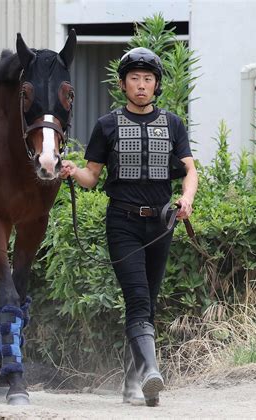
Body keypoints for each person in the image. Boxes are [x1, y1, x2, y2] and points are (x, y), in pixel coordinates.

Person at [60, 47, 198, 407]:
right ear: (123, 84)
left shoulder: (173, 124)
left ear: (156, 85)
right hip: (122, 223)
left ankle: (131, 382)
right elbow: (92, 176)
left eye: (148, 79)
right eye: (134, 78)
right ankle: (151, 374)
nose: (141, 85)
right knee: (138, 299)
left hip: (162, 224)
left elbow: (190, 171)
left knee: (147, 303)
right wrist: (73, 171)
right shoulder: (106, 125)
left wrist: (186, 200)